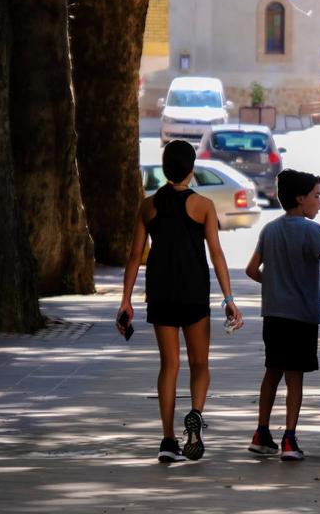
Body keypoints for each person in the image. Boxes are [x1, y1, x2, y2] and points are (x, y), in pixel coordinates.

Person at [118, 140, 244, 464]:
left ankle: (168, 440)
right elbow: (216, 253)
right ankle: (196, 417)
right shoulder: (203, 205)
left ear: (164, 168)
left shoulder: (148, 206)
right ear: (191, 168)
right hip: (193, 291)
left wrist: (125, 301)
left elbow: (134, 256)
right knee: (200, 364)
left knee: (169, 365)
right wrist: (229, 298)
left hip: (160, 290)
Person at [245, 169, 320, 461]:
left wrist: (275, 282)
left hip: (274, 315)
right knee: (295, 378)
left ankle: (261, 432)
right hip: (302, 316)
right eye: (316, 196)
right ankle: (289, 438)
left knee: (272, 371)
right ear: (301, 199)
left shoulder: (270, 230)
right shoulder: (313, 231)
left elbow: (252, 270)